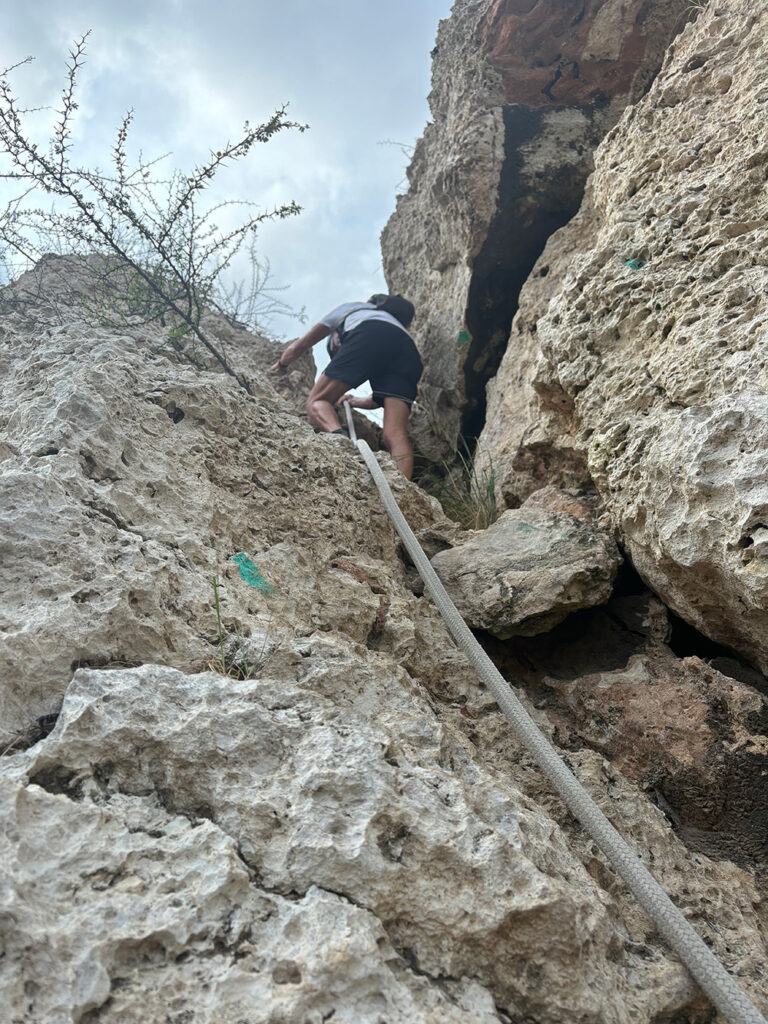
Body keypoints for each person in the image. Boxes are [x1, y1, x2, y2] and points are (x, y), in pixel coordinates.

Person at [268, 294, 422, 479]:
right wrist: (354, 401)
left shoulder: (351, 309)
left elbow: (299, 346)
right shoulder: (394, 327)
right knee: (395, 433)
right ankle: (402, 487)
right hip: (409, 352)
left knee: (318, 400)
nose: (339, 355)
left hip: (369, 333)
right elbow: (380, 399)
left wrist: (280, 365)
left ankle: (345, 447)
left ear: (335, 336)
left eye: (336, 352)